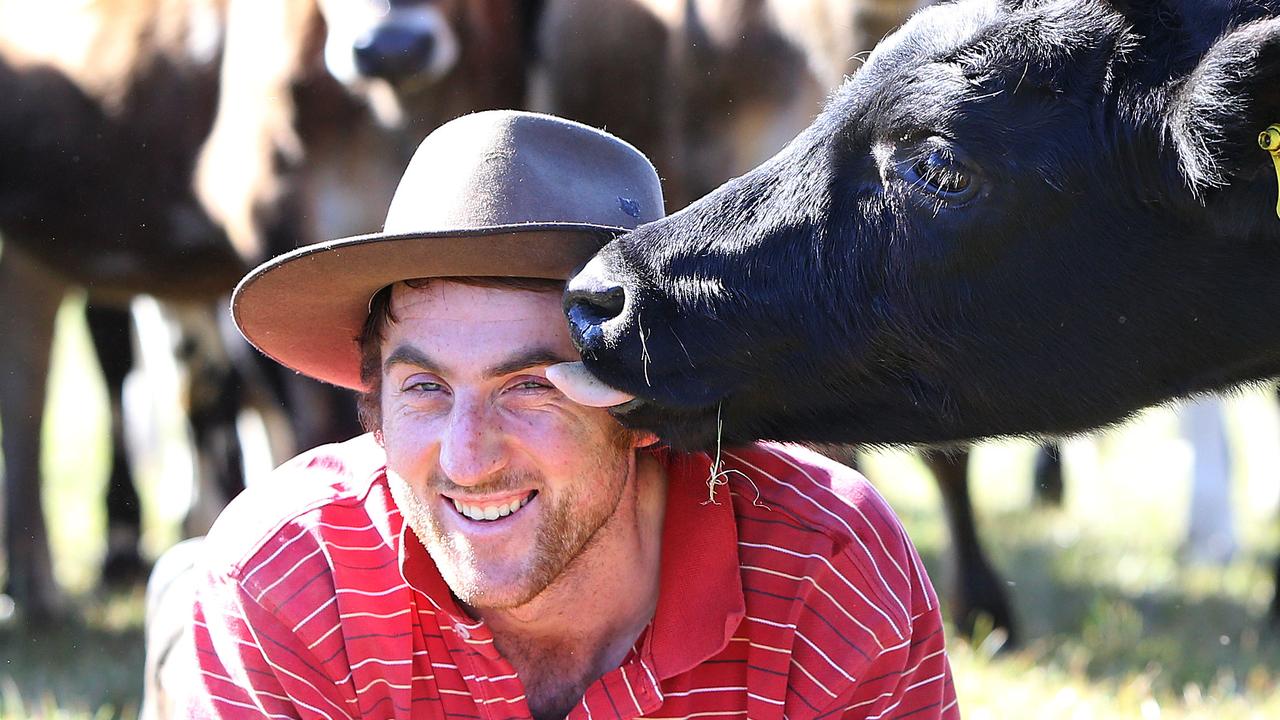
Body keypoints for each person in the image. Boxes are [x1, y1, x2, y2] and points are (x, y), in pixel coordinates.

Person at [176, 110, 959, 719]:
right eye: (425, 389)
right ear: (372, 409)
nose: (468, 457)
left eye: (530, 388)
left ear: (650, 407)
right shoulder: (284, 580)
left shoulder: (827, 573)